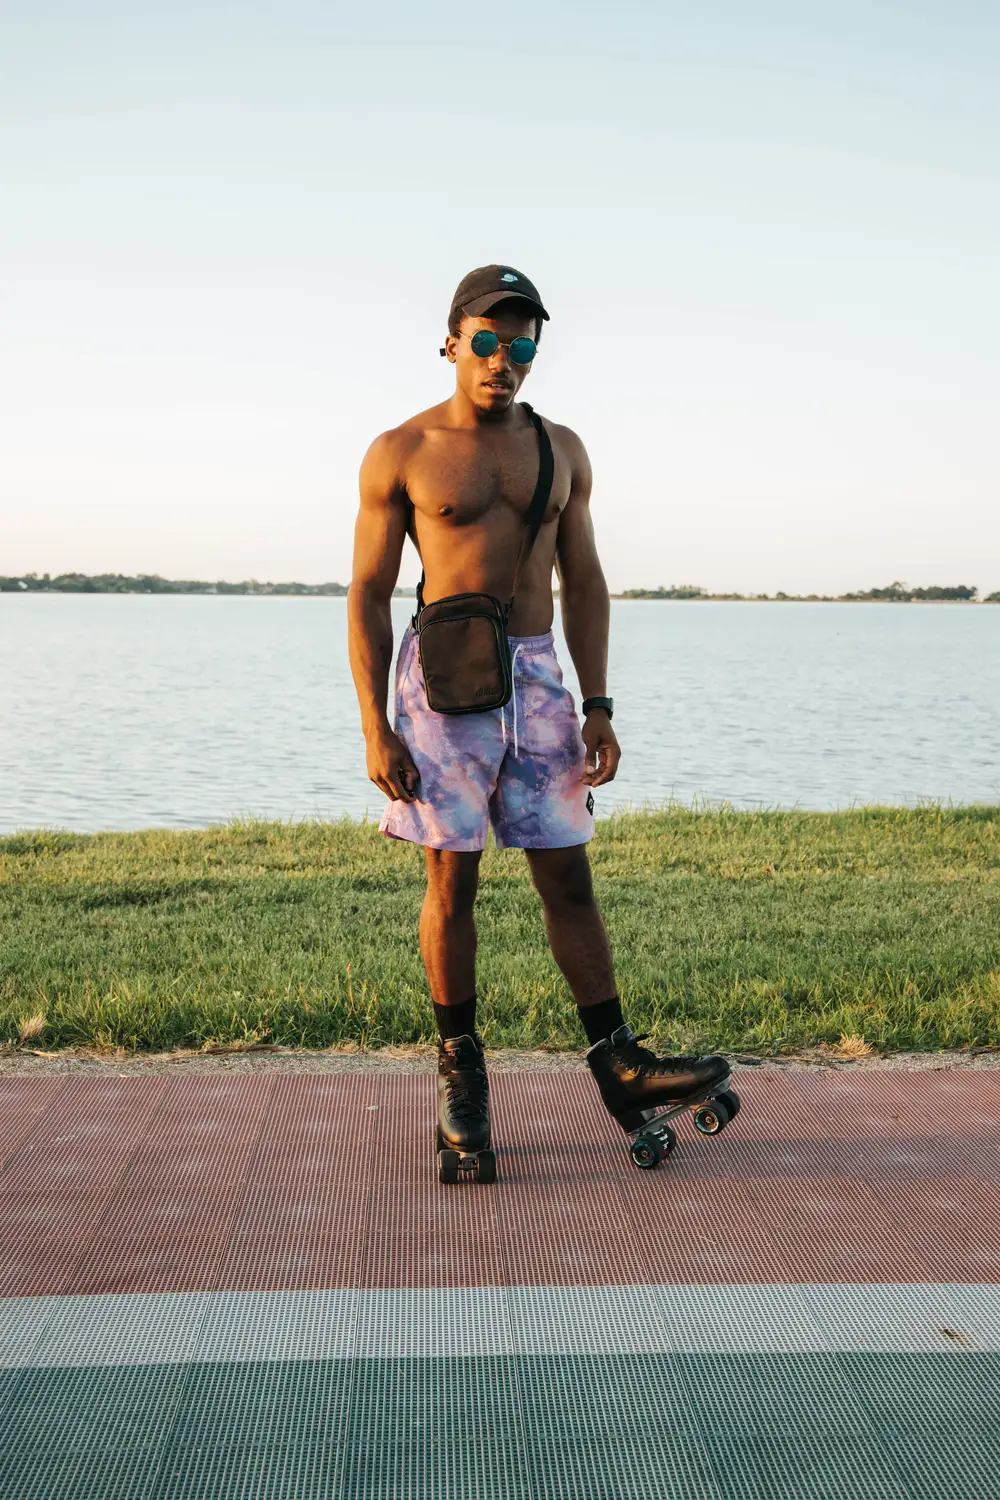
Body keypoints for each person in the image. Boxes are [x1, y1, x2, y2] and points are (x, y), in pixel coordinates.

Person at [348, 264, 729, 1180]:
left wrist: (597, 703)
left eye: (522, 345)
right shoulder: (400, 451)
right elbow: (365, 591)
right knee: (454, 883)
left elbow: (583, 580)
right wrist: (374, 727)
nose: (504, 360)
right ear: (452, 341)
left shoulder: (562, 449)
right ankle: (461, 1080)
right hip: (443, 688)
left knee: (569, 878)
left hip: (540, 683)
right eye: (488, 340)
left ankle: (621, 1064)